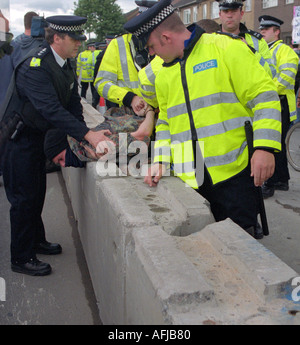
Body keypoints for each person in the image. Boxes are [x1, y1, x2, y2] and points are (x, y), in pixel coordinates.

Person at [124, 0, 282, 239]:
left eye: (151, 46)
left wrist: (264, 147)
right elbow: (166, 121)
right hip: (191, 175)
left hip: (234, 174)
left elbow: (264, 98)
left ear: (166, 37)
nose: (152, 54)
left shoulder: (226, 48)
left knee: (242, 245)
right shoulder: (164, 73)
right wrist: (160, 159)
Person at [1, 15, 114, 276]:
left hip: (34, 138)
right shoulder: (36, 66)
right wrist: (88, 135)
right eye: (75, 39)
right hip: (17, 140)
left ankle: (35, 240)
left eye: (80, 39)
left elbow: (72, 102)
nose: (80, 44)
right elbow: (51, 109)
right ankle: (20, 257)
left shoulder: (64, 63)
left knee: (37, 192)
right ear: (56, 38)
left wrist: (86, 134)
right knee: (23, 199)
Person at [259, 15, 299, 198]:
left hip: (279, 101)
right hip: (272, 100)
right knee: (278, 144)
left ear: (277, 32)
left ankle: (271, 182)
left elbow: (286, 78)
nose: (262, 32)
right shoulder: (264, 50)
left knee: (272, 143)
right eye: (261, 29)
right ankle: (282, 180)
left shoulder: (285, 50)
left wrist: (265, 92)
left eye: (266, 29)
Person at [44, 105, 156, 170]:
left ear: (66, 146)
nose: (64, 165)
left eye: (61, 159)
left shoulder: (95, 146)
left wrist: (149, 111)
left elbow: (143, 135)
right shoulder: (86, 140)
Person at [94, 0, 157, 114]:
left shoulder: (166, 44)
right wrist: (130, 98)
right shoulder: (118, 44)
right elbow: (102, 83)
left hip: (161, 113)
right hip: (130, 115)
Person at [217, 0, 276, 79]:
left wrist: (250, 51)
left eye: (234, 11)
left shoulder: (257, 41)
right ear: (220, 15)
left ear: (241, 14)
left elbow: (270, 73)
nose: (229, 15)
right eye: (225, 11)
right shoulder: (209, 40)